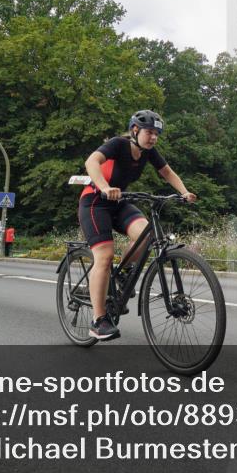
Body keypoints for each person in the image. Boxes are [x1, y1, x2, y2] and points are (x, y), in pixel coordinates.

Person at [79, 110, 197, 341]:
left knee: (146, 234)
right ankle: (98, 321)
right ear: (135, 130)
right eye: (149, 132)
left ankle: (122, 274)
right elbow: (91, 161)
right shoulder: (118, 144)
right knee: (104, 256)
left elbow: (167, 172)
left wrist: (184, 192)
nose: (153, 138)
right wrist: (104, 187)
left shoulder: (148, 152)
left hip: (118, 202)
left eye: (157, 134)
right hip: (95, 202)